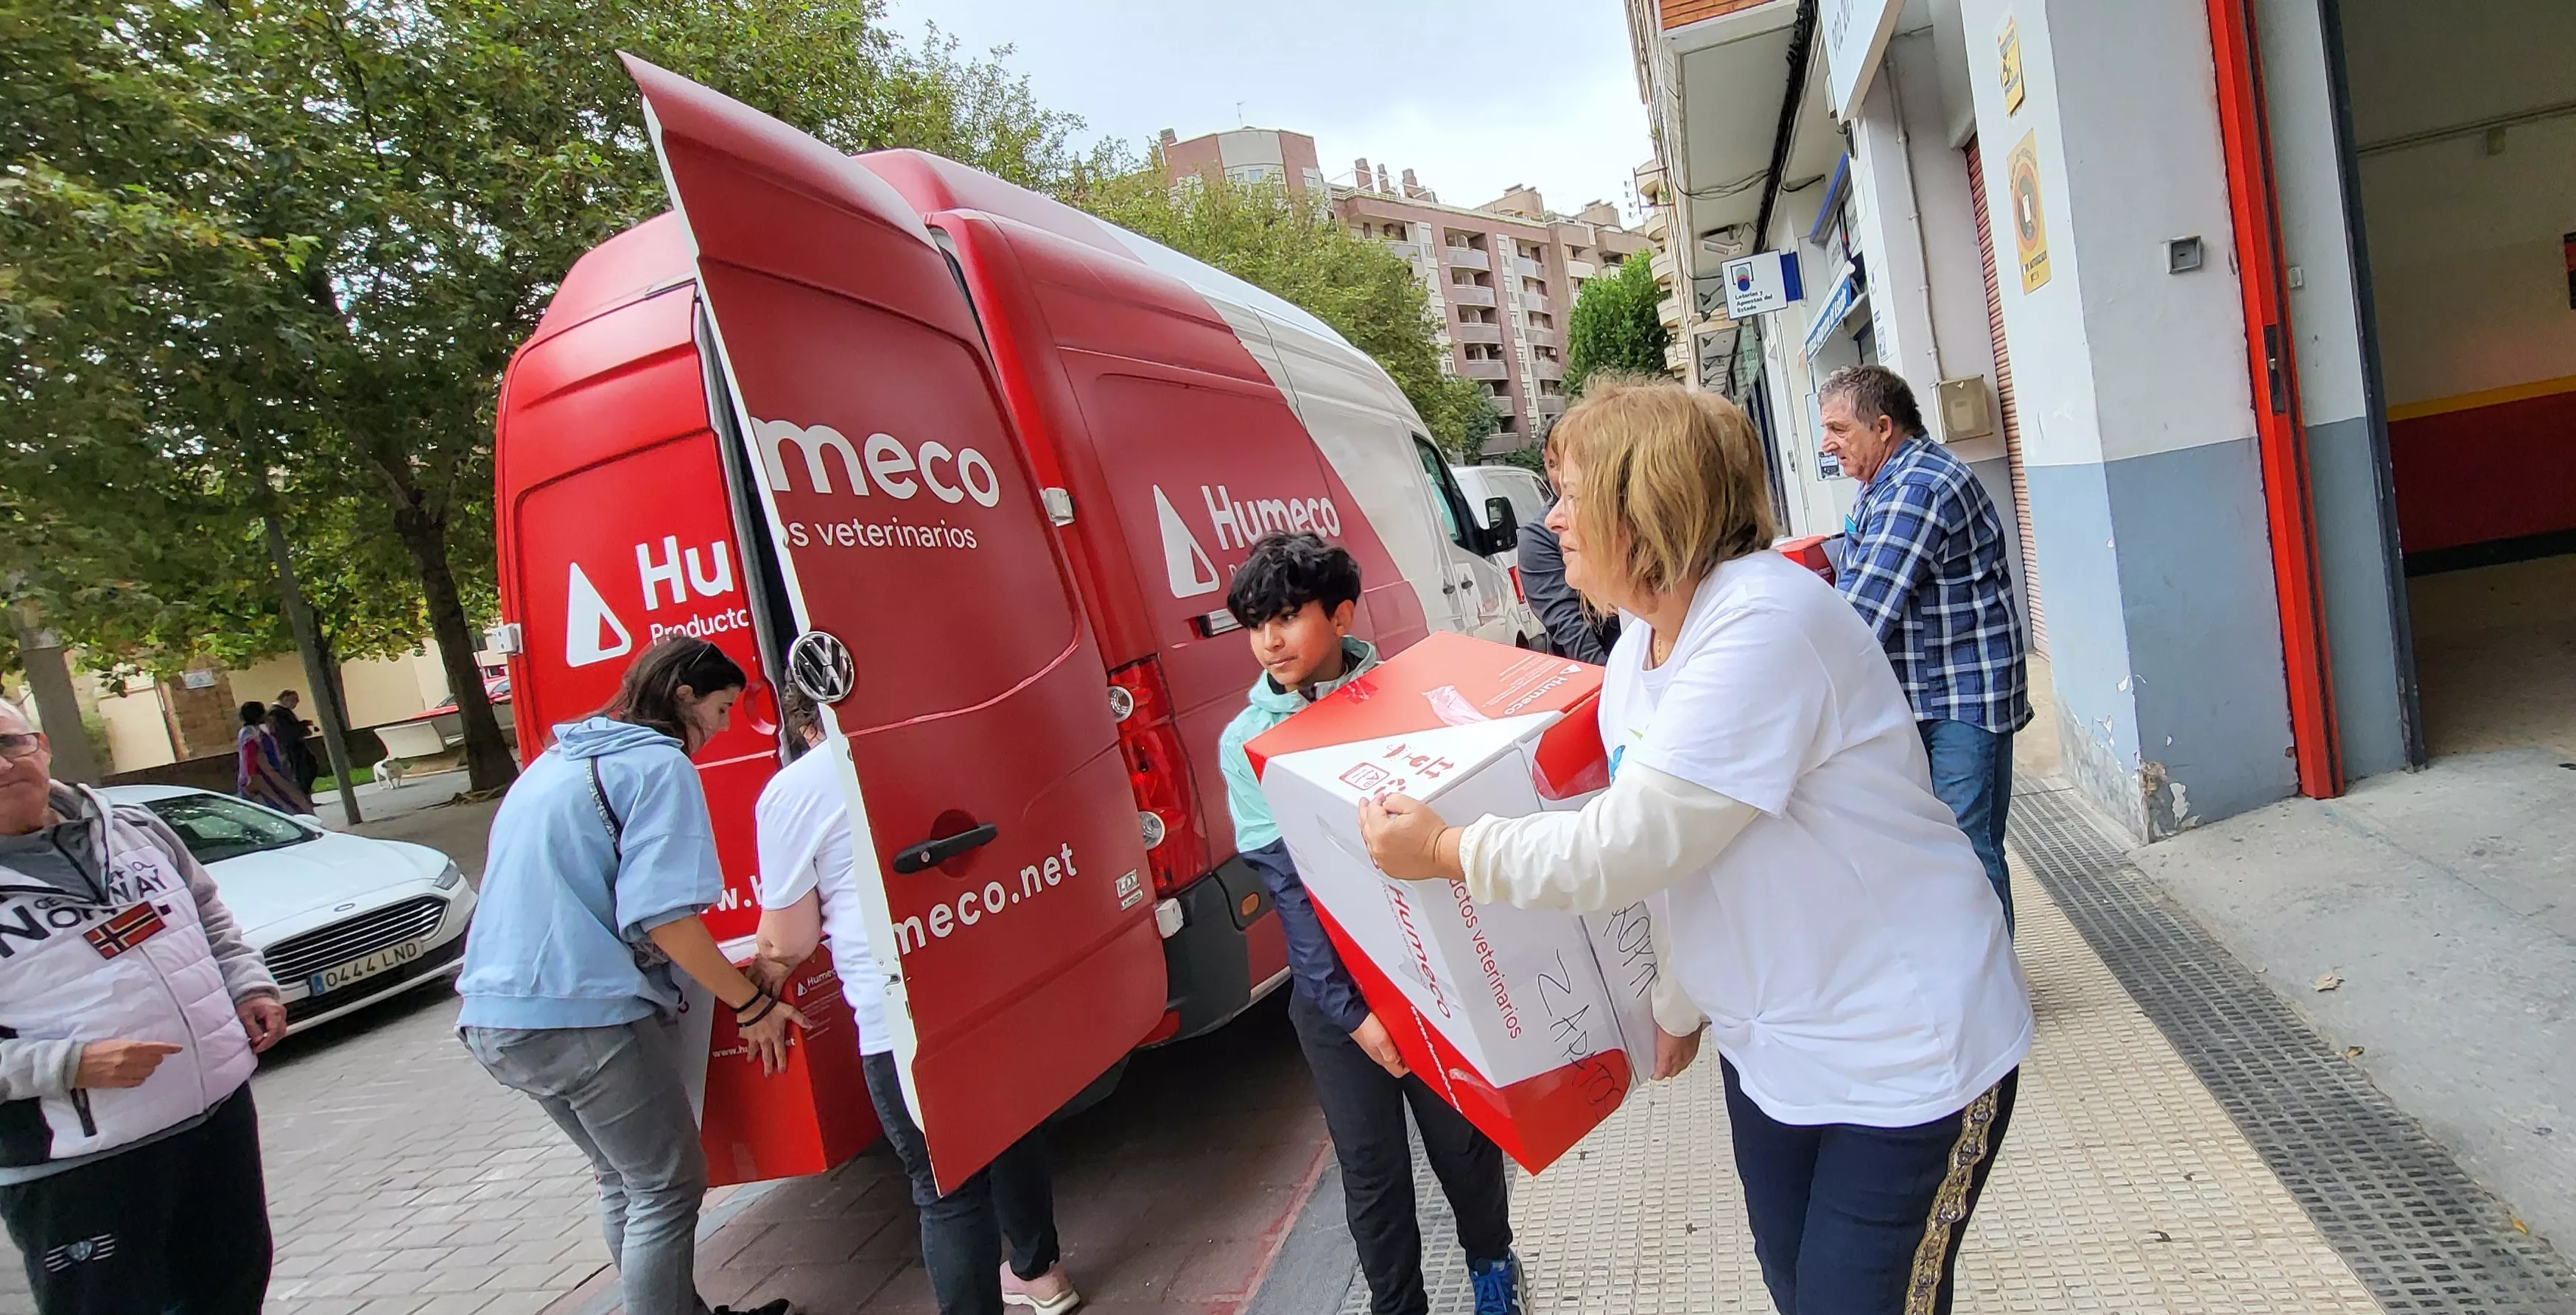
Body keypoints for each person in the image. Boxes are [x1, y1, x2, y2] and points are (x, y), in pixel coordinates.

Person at [1357, 382, 2031, 1315]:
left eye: (1571, 492)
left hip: (1908, 1051)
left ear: (1646, 503)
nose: (1553, 522)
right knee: (1796, 1288)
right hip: (1775, 1049)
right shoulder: (1643, 645)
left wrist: (1445, 848)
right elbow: (1680, 850)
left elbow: (1627, 843)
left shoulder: (1762, 625)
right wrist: (1676, 1001)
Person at [1215, 532, 1528, 1315]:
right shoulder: (1245, 742)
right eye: (1256, 624)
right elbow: (1291, 894)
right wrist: (1353, 1014)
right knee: (1370, 1169)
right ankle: (1397, 1305)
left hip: (1429, 975)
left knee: (1462, 1145)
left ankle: (1493, 1263)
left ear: (1342, 613)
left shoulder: (1401, 697)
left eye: (1286, 617)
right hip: (1334, 999)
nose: (1269, 642)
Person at [456, 636, 803, 1315]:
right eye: (724, 706)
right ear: (683, 696)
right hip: (582, 1013)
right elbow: (666, 918)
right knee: (666, 1188)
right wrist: (751, 1004)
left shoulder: (558, 759)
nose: (727, 724)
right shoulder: (657, 765)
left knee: (625, 1180)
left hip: (498, 1015)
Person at [749, 685, 1080, 1315]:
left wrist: (763, 973)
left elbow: (787, 937)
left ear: (803, 723)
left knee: (945, 1187)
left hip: (897, 1011)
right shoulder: (941, 737)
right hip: (986, 975)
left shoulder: (795, 790)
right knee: (1012, 1130)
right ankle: (1041, 1274)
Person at [0, 699, 289, 1313]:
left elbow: (206, 910)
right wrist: (67, 1063)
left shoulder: (131, 827)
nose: (2, 766)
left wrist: (247, 983)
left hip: (215, 1118)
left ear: (42, 745)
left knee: (233, 1294)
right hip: (78, 1162)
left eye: (9, 745)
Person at [1817, 364, 2029, 930]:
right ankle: (1974, 984)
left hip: (1961, 699)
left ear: (1883, 427)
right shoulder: (1882, 485)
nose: (1826, 443)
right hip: (1930, 695)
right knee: (1946, 846)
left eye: (1838, 428)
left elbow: (1861, 614)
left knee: (1965, 847)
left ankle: (1992, 993)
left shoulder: (1918, 487)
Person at [1518, 426, 1619, 664]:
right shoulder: (1538, 538)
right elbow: (1570, 629)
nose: (1561, 474)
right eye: (1553, 464)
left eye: (1567, 462)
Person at [233, 701, 311, 817]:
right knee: (283, 807)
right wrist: (252, 777)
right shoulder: (252, 734)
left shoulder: (255, 731)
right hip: (263, 778)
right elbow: (249, 755)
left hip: (270, 775)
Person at [265, 690, 320, 797]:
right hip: (289, 749)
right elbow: (286, 732)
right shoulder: (276, 713)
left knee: (309, 768)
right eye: (295, 699)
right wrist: (302, 726)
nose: (297, 702)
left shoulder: (283, 711)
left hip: (296, 747)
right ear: (285, 699)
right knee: (300, 773)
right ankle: (303, 797)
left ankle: (306, 795)